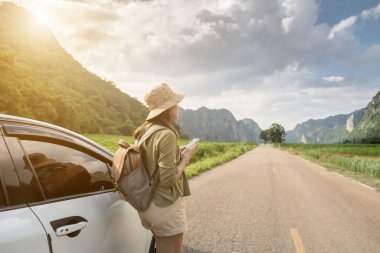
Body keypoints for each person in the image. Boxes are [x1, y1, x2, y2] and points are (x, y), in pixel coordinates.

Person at [133, 83, 196, 253]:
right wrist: (186, 158)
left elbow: (151, 160)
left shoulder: (145, 131)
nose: (178, 106)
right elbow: (168, 179)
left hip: (148, 204)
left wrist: (178, 152)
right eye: (176, 103)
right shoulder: (166, 134)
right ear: (168, 108)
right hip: (164, 204)